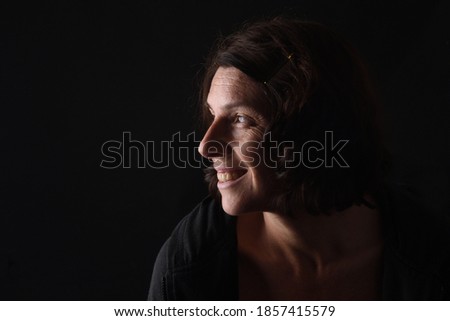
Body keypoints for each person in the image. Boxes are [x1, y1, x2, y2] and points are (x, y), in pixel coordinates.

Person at [148, 17, 450, 300]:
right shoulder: (190, 263)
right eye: (213, 115)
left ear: (313, 131)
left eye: (240, 119)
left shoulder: (429, 253)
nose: (205, 146)